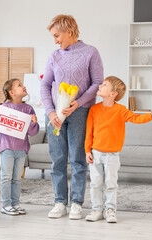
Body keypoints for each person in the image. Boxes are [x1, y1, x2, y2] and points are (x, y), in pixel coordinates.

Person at [41, 14, 104, 220]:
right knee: (57, 159)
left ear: (69, 31)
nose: (55, 40)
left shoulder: (90, 52)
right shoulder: (54, 55)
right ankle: (60, 202)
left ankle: (76, 203)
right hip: (55, 115)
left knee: (78, 159)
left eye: (57, 35)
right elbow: (45, 85)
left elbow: (97, 83)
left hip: (80, 113)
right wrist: (51, 112)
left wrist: (80, 101)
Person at [84, 76, 152, 223]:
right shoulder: (94, 109)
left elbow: (136, 118)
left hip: (112, 155)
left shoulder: (121, 110)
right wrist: (87, 150)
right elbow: (89, 131)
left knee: (111, 184)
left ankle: (110, 210)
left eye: (104, 85)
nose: (100, 85)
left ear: (113, 94)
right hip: (96, 153)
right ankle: (96, 209)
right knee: (95, 183)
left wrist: (151, 115)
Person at [0, 78, 39, 216]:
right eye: (19, 85)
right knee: (6, 177)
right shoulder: (3, 107)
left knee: (17, 178)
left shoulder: (28, 109)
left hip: (21, 149)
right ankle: (5, 205)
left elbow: (33, 132)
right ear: (12, 92)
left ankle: (15, 204)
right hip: (6, 148)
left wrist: (33, 123)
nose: (24, 86)